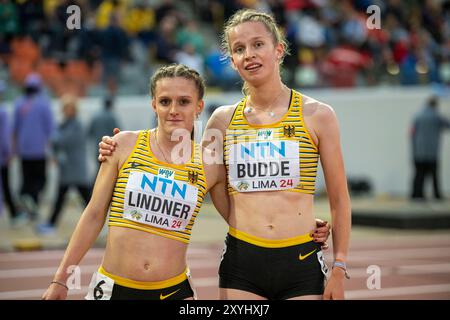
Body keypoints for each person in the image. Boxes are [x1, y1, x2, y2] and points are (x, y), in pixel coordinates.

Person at [100, 11, 344, 301]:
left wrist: (339, 265)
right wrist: (122, 147)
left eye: (257, 45)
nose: (249, 55)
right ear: (232, 60)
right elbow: (194, 174)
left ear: (278, 49)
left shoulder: (318, 115)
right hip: (243, 262)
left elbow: (340, 201)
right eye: (239, 49)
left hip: (301, 259)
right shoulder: (221, 121)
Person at [42, 64, 230, 300]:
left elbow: (239, 221)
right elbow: (94, 213)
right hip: (113, 289)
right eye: (164, 101)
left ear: (199, 106)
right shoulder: (122, 145)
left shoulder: (211, 164)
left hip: (173, 291)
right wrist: (61, 279)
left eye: (184, 101)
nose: (173, 110)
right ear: (153, 104)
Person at [36, 95, 92, 235]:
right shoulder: (63, 124)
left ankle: (99, 224)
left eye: (70, 108)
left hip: (76, 170)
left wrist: (55, 140)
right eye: (65, 108)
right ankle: (51, 224)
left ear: (75, 110)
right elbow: (55, 142)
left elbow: (62, 141)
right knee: (61, 199)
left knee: (89, 201)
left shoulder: (76, 125)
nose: (67, 111)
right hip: (67, 170)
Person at [12, 73, 55, 221]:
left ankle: (28, 204)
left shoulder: (18, 103)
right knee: (41, 179)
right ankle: (30, 202)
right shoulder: (44, 104)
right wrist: (52, 151)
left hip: (24, 150)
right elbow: (50, 130)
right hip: (39, 150)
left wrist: (14, 149)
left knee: (27, 179)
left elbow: (14, 130)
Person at [410, 95, 450, 200]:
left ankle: (417, 195)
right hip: (432, 152)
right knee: (434, 176)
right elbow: (447, 125)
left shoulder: (417, 116)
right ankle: (437, 195)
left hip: (419, 151)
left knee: (419, 175)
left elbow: (412, 133)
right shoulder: (436, 116)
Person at [88, 96, 120, 169]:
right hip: (109, 149)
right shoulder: (112, 117)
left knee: (99, 169)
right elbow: (118, 133)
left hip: (98, 147)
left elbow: (89, 132)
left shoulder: (95, 116)